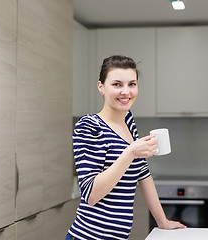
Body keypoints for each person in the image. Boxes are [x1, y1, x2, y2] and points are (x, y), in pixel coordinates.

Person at [66, 55, 186, 240]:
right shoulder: (89, 126)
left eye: (132, 84)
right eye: (117, 84)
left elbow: (143, 174)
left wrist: (162, 221)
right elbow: (90, 194)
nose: (126, 91)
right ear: (101, 87)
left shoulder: (128, 121)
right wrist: (129, 153)